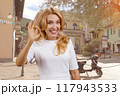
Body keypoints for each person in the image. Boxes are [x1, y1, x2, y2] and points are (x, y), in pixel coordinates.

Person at [16, 7, 80, 80]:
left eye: (57, 22)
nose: (55, 27)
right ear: (43, 24)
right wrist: (30, 41)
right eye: (50, 23)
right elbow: (19, 63)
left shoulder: (67, 41)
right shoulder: (36, 44)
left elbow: (74, 72)